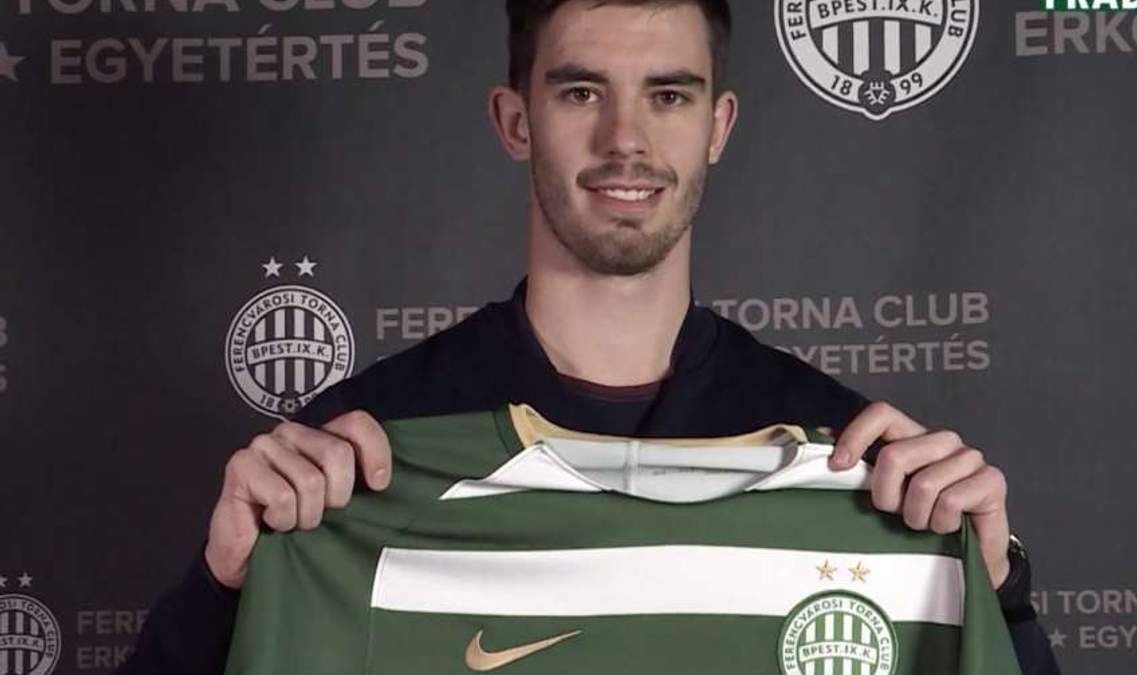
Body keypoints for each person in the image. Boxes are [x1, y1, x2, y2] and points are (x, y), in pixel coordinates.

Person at [119, 1, 1059, 673]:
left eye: (669, 96)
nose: (626, 141)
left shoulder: (853, 462)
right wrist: (223, 586)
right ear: (515, 120)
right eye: (580, 93)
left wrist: (994, 588)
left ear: (719, 125)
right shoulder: (359, 457)